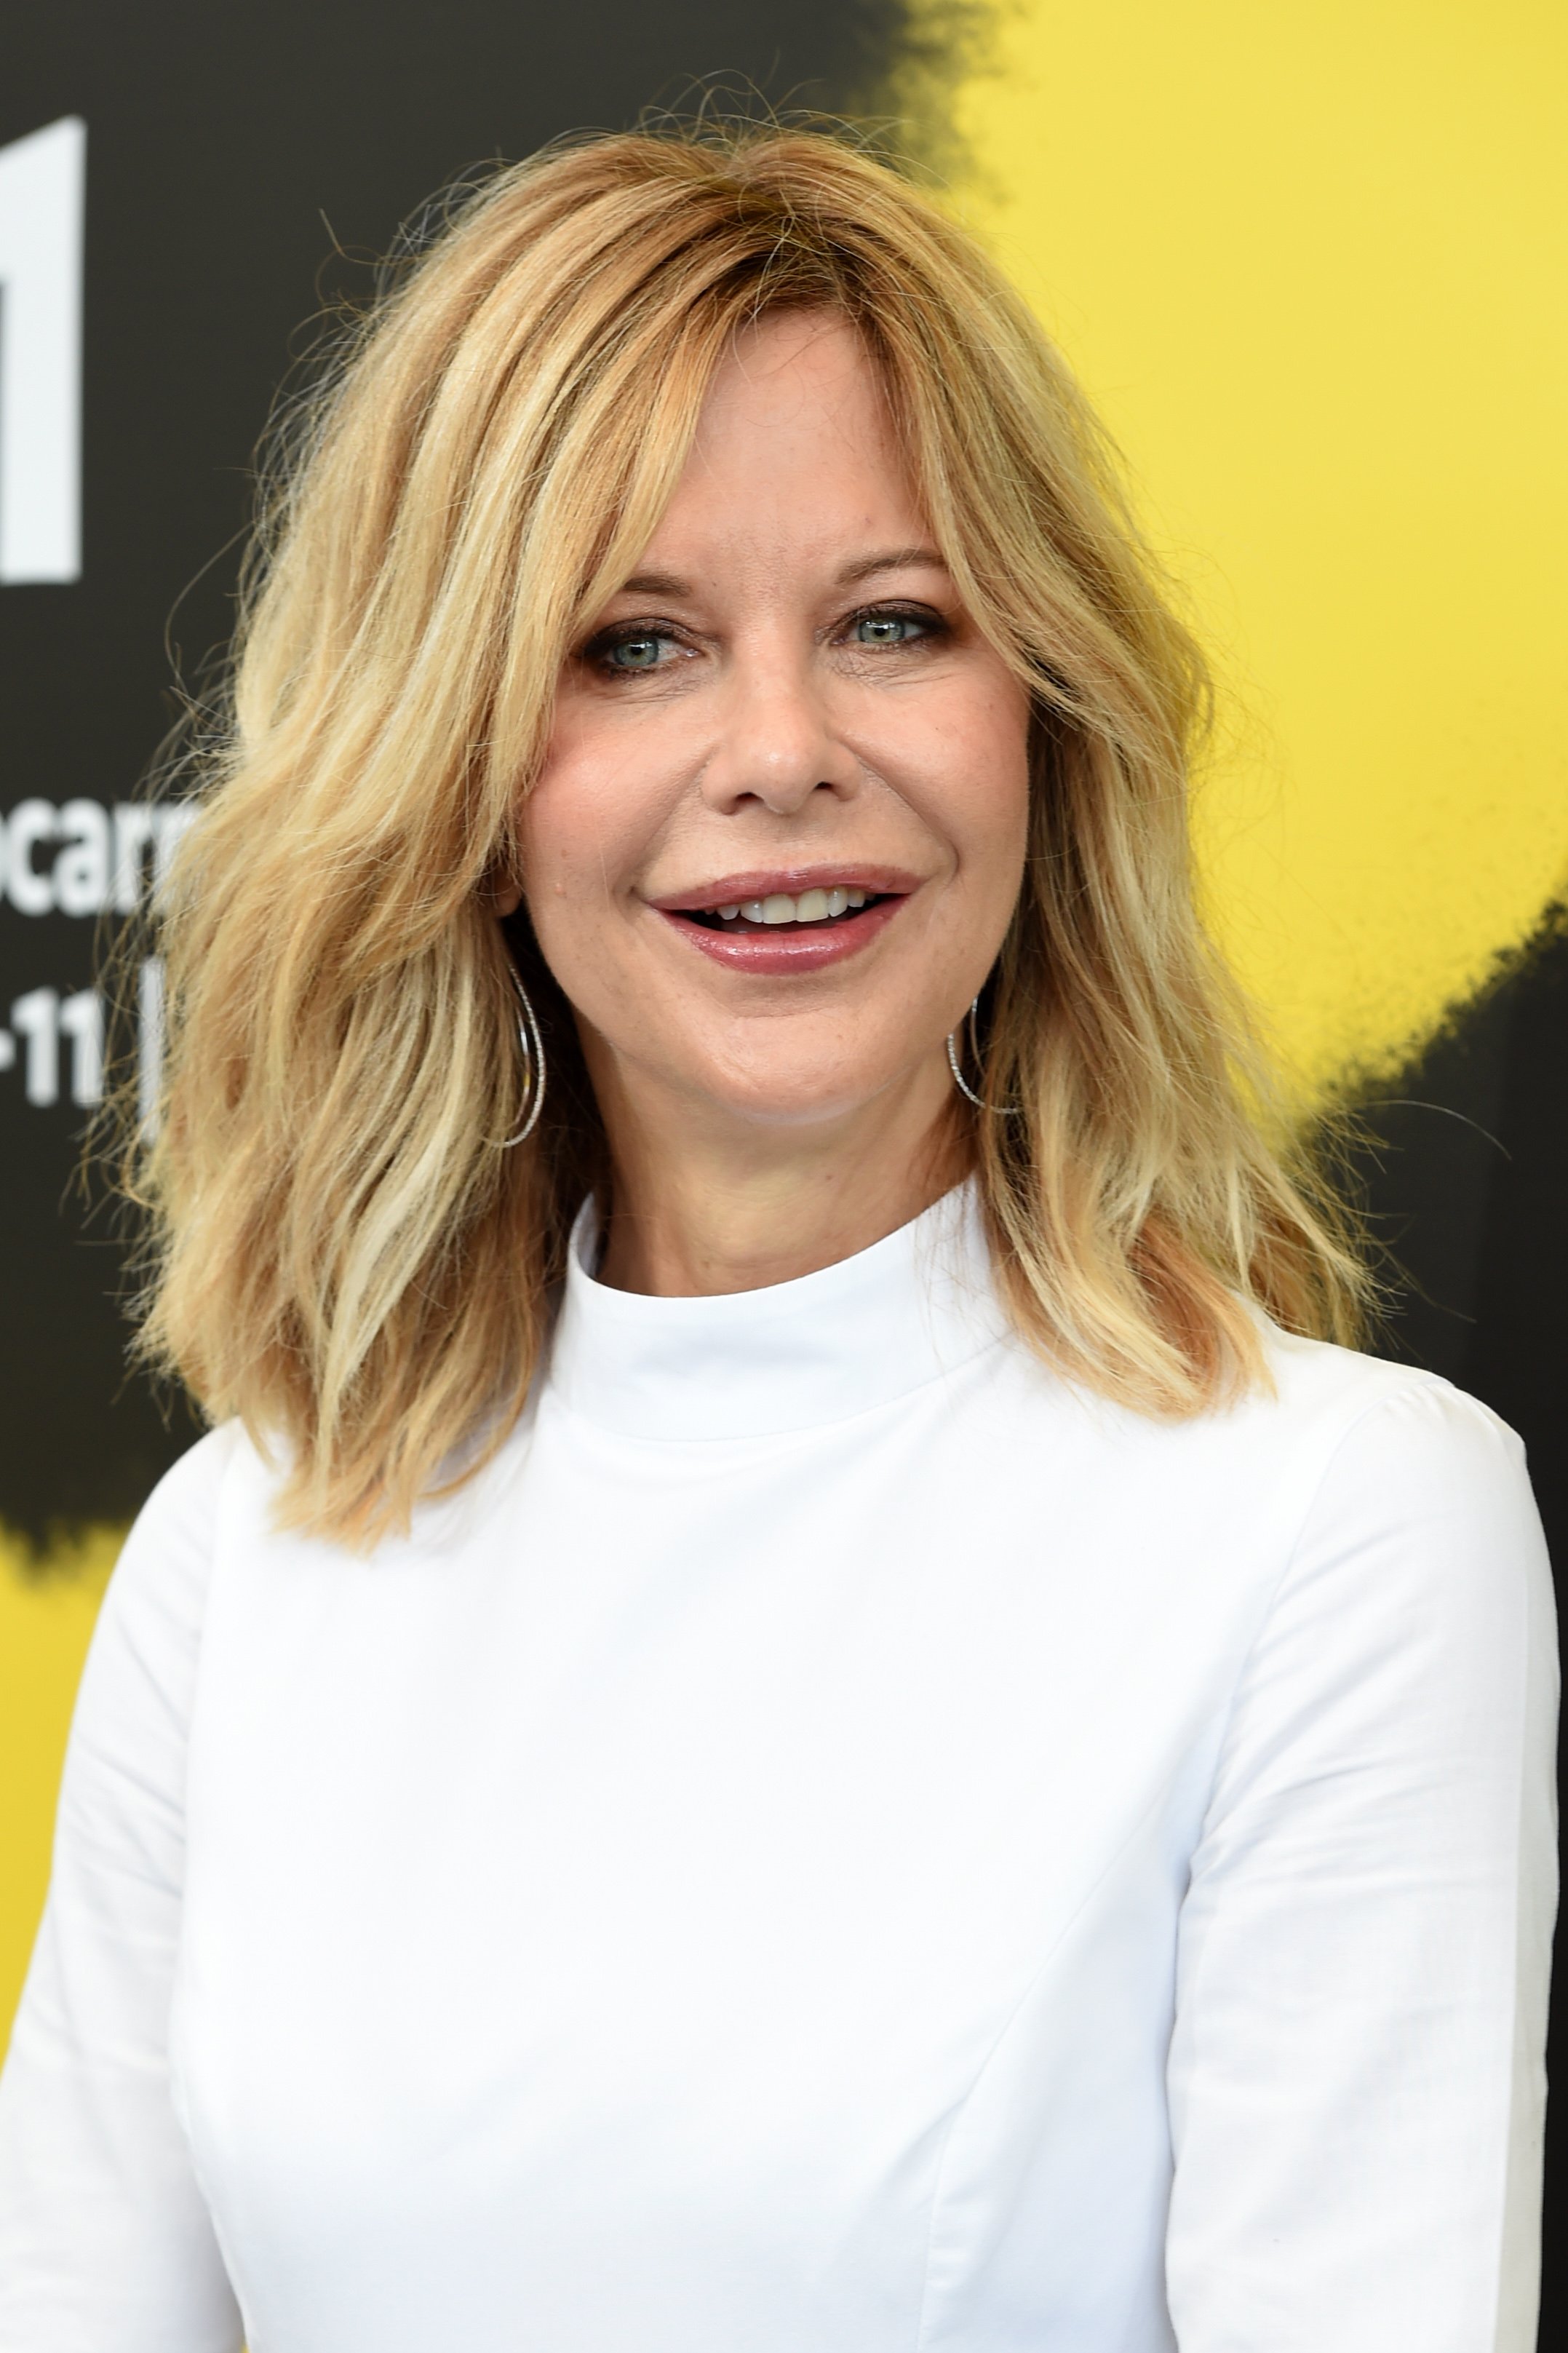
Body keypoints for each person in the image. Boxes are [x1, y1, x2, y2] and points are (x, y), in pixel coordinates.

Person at [0, 126, 1554, 2353]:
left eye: (892, 623)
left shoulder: (1337, 1524)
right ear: (457, 771)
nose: (779, 750)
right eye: (632, 645)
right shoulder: (241, 1553)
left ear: (1044, 721)